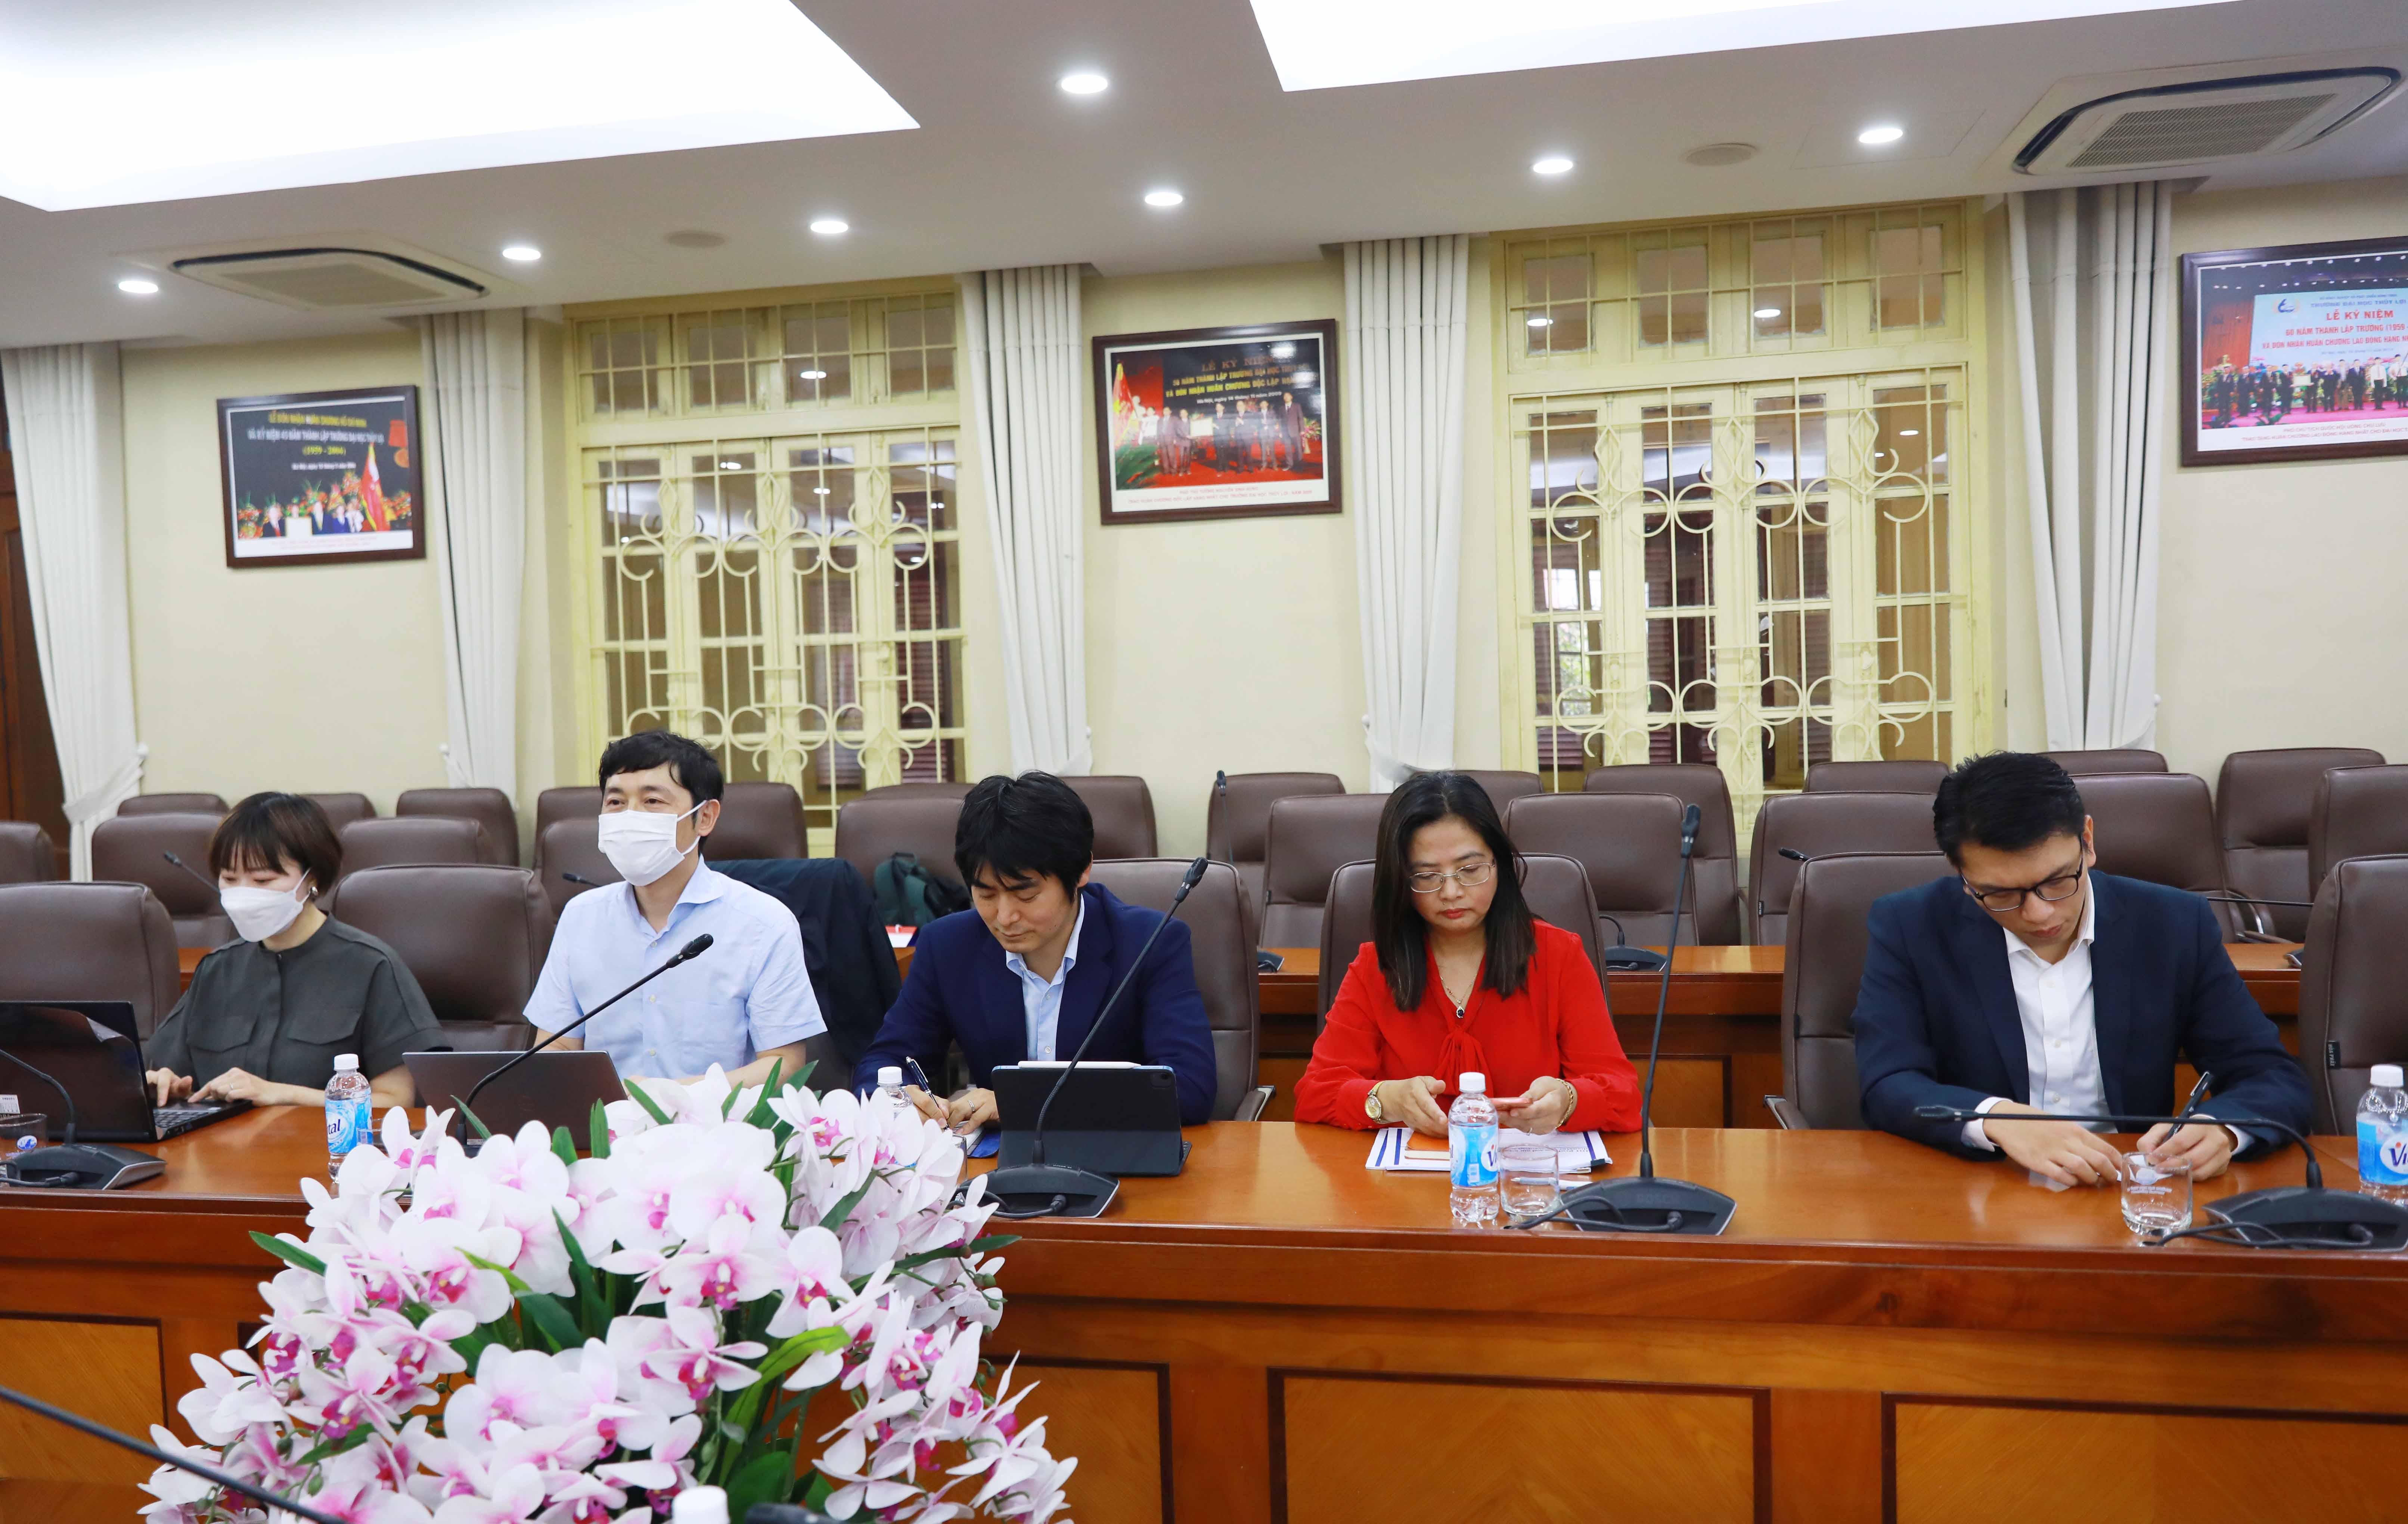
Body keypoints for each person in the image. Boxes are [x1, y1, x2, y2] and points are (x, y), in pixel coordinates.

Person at [1853, 752, 2311, 1185]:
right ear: (1962, 875)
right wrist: (1994, 1118)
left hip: (2131, 1186)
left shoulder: (2172, 924)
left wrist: (2224, 1129)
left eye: (2057, 881)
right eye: (2000, 894)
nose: (2038, 914)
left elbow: (2269, 1075)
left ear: (2087, 841)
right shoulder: (1910, 926)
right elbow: (1888, 1083)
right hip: (1982, 1183)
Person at [852, 772, 1219, 1130]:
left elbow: (1189, 1088)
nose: (1005, 917)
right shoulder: (947, 946)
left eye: (1025, 895)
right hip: (998, 1163)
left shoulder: (1151, 943)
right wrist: (898, 1099)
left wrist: (1020, 1105)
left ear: (1082, 871)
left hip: (1115, 1156)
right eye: (986, 895)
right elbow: (883, 1062)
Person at [1291, 772, 1642, 1136]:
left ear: (1499, 865)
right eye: (1427, 876)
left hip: (1525, 1167)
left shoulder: (1558, 956)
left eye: (1470, 870)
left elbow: (1624, 1096)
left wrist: (1569, 1101)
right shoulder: (1376, 967)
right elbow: (1315, 1094)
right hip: (1408, 1171)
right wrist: (1385, 1099)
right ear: (1402, 882)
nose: (1451, 892)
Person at [525, 731, 830, 1089]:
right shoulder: (580, 917)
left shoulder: (764, 924)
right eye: (616, 802)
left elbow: (784, 1065)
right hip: (605, 1122)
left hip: (721, 1121)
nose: (630, 816)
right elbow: (557, 1047)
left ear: (705, 818)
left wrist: (675, 1096)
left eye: (652, 801)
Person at [144, 793, 442, 1110]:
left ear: (311, 878)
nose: (244, 894)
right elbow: (171, 1071)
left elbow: (396, 1102)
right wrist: (164, 1082)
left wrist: (282, 1094)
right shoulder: (216, 970)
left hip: (324, 1141)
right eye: (230, 879)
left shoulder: (372, 966)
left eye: (263, 879)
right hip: (220, 1141)